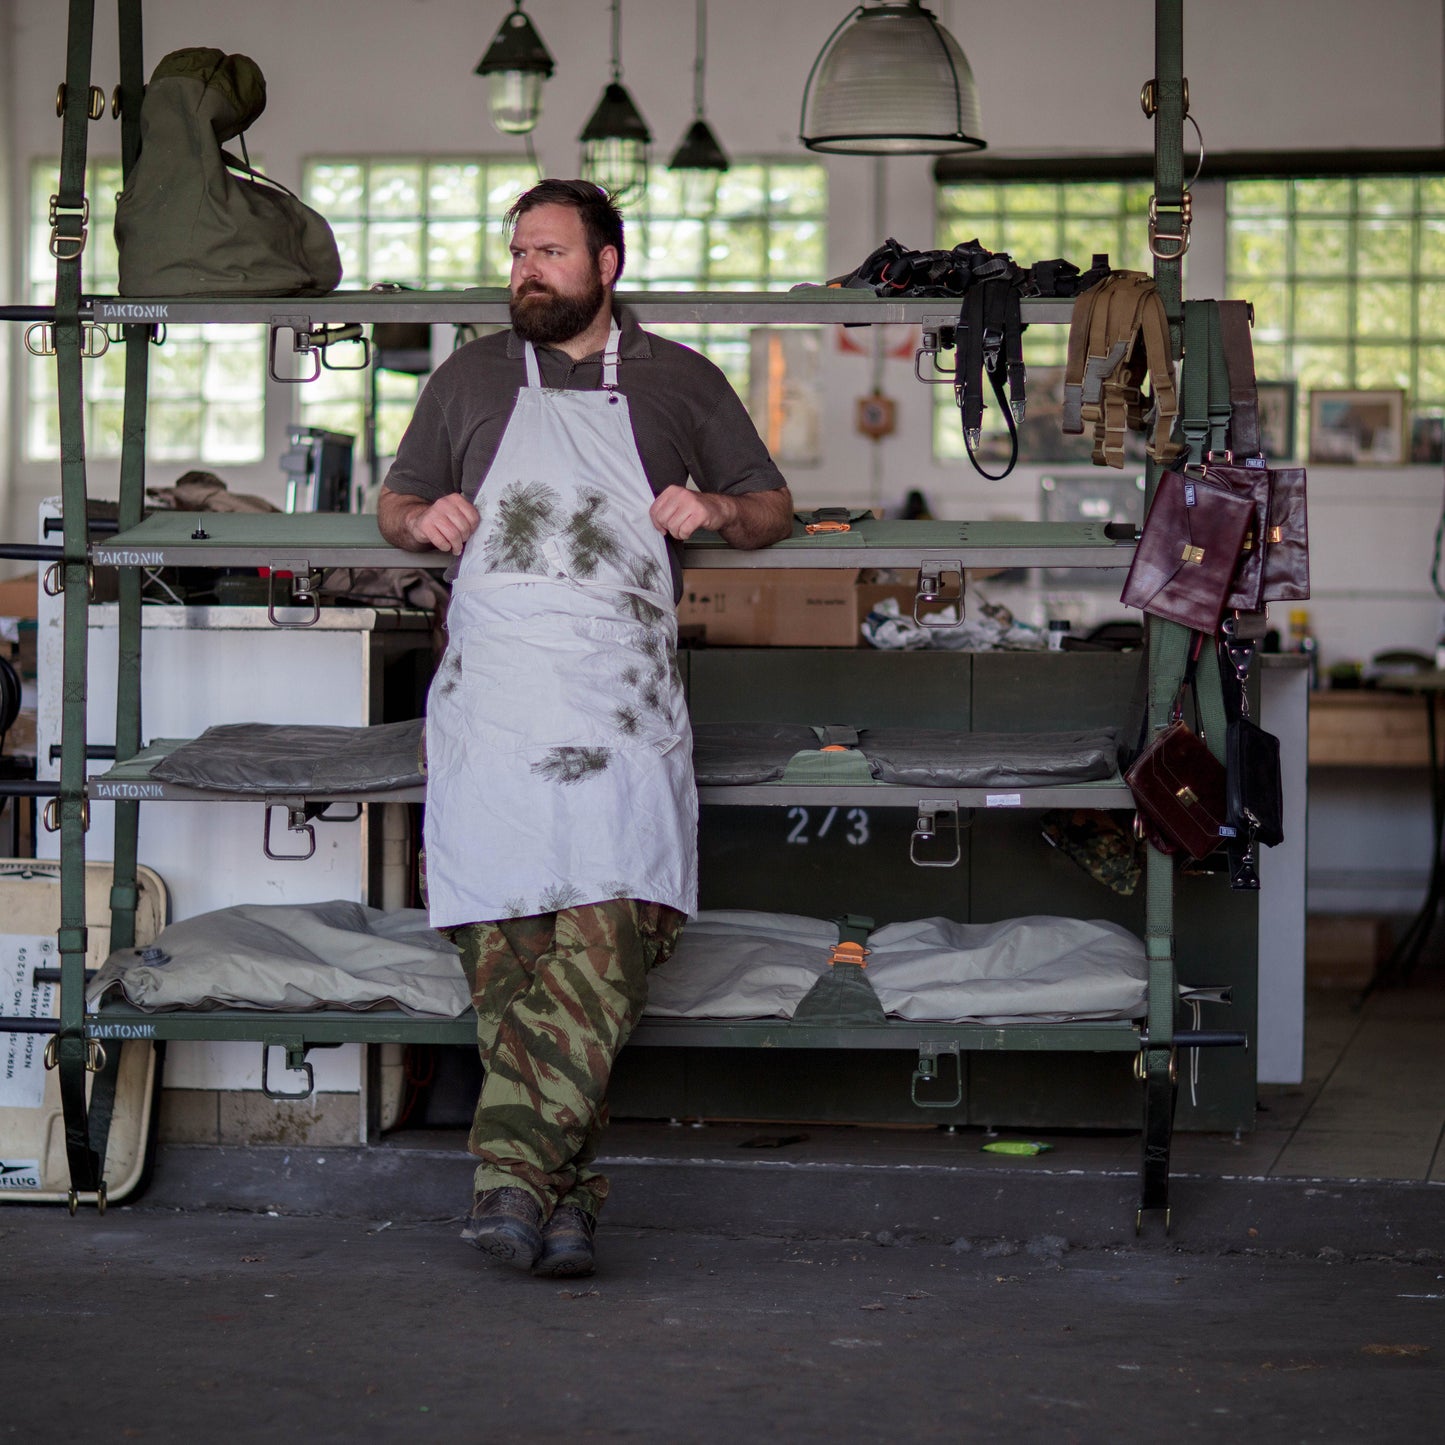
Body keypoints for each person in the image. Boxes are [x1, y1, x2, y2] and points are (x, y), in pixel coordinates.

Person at [379, 179, 793, 1278]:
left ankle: (508, 1178)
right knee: (511, 970)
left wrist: (713, 511)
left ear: (608, 264)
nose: (526, 268)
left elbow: (769, 504)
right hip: (495, 717)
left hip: (619, 717)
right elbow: (397, 499)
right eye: (518, 250)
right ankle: (564, 1204)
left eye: (550, 251)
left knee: (604, 951)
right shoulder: (466, 376)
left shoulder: (680, 384)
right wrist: (423, 517)